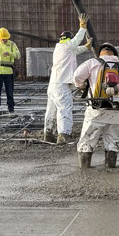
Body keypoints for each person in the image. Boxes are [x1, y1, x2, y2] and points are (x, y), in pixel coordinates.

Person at [73, 42, 119, 169]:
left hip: (96, 107)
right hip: (117, 111)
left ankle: (85, 168)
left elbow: (77, 76)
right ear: (115, 54)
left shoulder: (92, 63)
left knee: (88, 139)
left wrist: (82, 86)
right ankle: (111, 167)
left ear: (99, 54)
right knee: (113, 140)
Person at [44, 13, 92, 144]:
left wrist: (86, 47)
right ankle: (63, 135)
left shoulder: (60, 48)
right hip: (61, 86)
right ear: (68, 39)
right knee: (64, 109)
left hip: (53, 85)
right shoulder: (67, 46)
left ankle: (48, 133)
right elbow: (76, 41)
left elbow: (76, 49)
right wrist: (82, 27)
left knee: (51, 111)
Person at [0, 27, 21, 119]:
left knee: (9, 91)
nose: (4, 40)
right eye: (3, 38)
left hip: (8, 71)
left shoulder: (12, 44)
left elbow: (18, 55)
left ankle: (11, 110)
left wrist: (10, 53)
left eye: (6, 38)